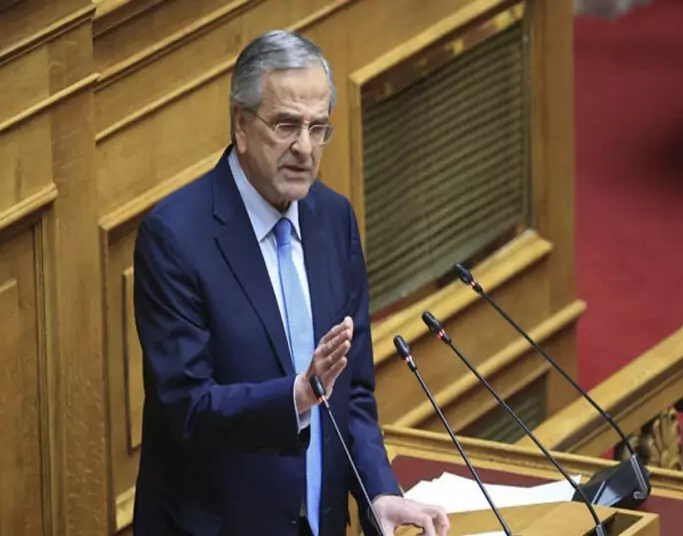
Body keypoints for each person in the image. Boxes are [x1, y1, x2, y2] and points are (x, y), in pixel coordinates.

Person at [131, 29, 450, 536]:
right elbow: (187, 409)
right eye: (286, 125)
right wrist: (297, 394)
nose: (305, 147)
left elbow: (353, 392)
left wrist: (378, 492)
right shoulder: (175, 238)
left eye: (318, 128)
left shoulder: (333, 219)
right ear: (241, 125)